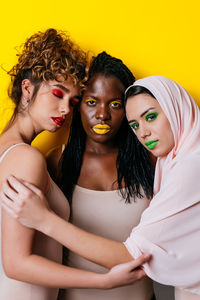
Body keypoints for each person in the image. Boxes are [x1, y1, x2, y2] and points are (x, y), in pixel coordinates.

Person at [0, 28, 151, 300]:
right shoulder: (28, 158)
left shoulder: (8, 150)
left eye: (72, 101)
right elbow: (16, 264)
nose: (66, 110)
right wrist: (106, 282)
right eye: (57, 95)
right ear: (26, 88)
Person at [48, 51, 155, 300]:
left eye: (115, 104)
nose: (103, 114)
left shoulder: (148, 160)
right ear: (77, 104)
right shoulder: (58, 161)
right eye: (92, 102)